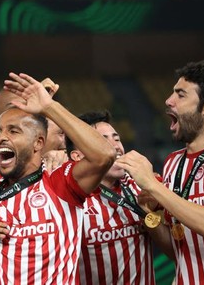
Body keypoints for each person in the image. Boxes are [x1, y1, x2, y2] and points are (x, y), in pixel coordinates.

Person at [0, 73, 115, 283]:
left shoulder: (60, 183)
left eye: (13, 131)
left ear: (38, 143)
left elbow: (105, 155)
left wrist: (49, 107)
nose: (1, 137)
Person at [116, 59, 204, 285]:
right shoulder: (172, 163)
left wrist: (153, 185)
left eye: (181, 95)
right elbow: (178, 250)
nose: (168, 101)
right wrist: (149, 215)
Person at [70, 110, 156, 285]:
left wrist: (149, 216)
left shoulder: (141, 185)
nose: (116, 146)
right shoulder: (68, 199)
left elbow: (177, 244)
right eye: (102, 140)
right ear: (78, 156)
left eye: (116, 139)